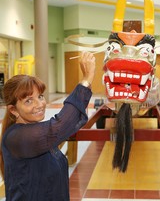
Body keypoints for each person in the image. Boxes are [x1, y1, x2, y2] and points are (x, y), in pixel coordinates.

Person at [0, 51, 96, 201]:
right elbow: (59, 127)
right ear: (13, 110)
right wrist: (86, 79)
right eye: (28, 101)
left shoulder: (35, 130)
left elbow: (65, 125)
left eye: (40, 96)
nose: (39, 105)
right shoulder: (16, 138)